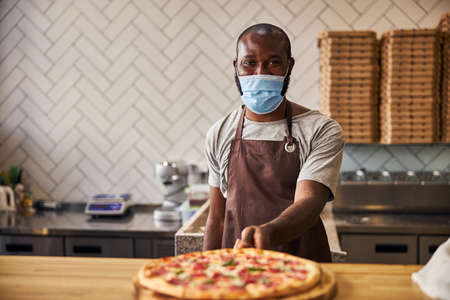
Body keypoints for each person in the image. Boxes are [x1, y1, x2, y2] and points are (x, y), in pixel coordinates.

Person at [203, 23, 344, 262]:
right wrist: (205, 273)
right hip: (238, 269)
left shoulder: (321, 130)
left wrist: (268, 232)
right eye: (250, 63)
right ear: (236, 67)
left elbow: (310, 201)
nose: (260, 72)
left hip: (302, 263)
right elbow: (216, 218)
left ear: (289, 66)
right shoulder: (220, 132)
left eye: (273, 62)